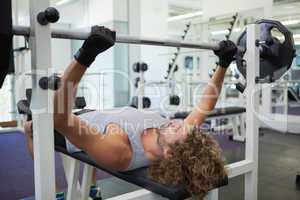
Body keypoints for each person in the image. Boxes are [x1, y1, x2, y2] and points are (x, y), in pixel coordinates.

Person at [24, 26, 237, 199]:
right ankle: (90, 189)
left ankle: (51, 192)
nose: (177, 122)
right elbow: (205, 105)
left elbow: (61, 118)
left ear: (170, 154)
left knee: (34, 128)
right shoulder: (173, 136)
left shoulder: (119, 151)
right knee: (96, 133)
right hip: (95, 115)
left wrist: (85, 56)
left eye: (178, 129)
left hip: (63, 121)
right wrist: (224, 64)